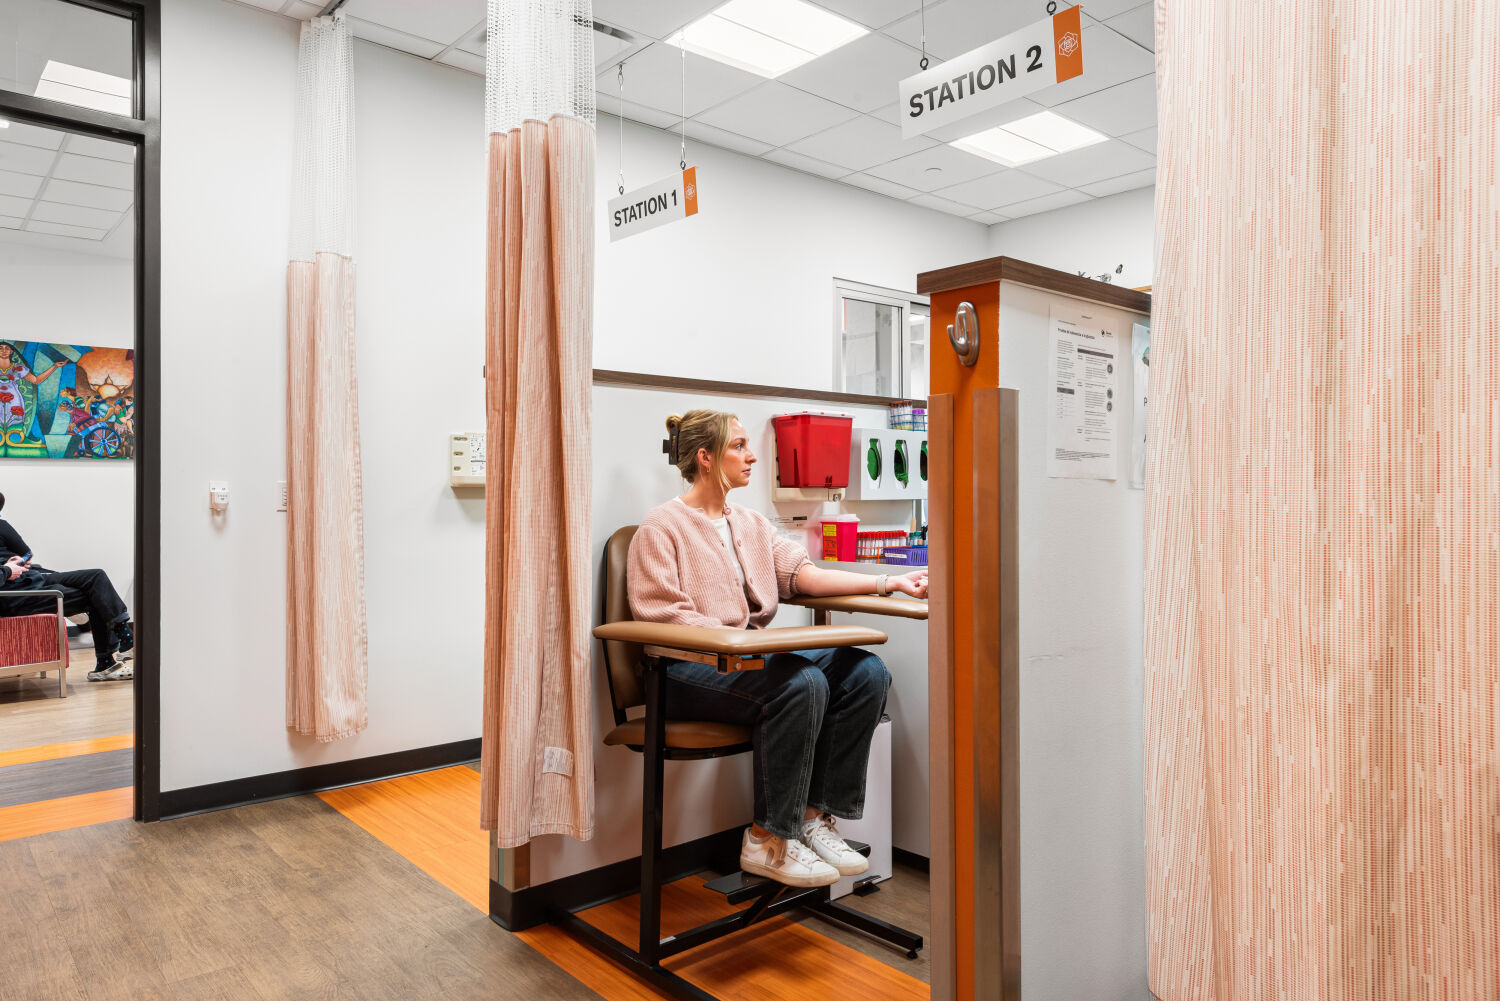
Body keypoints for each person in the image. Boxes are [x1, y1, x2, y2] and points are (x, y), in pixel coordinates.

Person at [627, 410, 928, 888]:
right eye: (738, 446)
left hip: (744, 660)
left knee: (866, 671)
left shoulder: (751, 523)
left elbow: (801, 575)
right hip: (686, 669)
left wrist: (888, 581)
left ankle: (811, 818)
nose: (751, 456)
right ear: (705, 458)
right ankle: (768, 838)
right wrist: (742, 645)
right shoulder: (661, 528)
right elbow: (661, 615)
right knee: (801, 682)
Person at [0, 491, 134, 682]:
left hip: (28, 581)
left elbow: (26, 554)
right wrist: (7, 570)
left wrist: (17, 562)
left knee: (96, 577)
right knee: (94, 595)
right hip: (15, 595)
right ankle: (109, 658)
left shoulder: (2, 526)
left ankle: (122, 635)